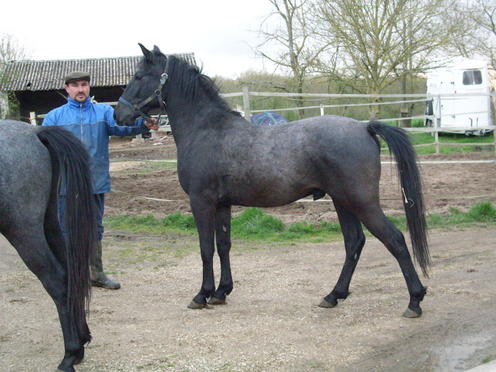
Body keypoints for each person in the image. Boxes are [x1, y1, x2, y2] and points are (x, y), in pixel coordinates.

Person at [43, 71, 158, 290]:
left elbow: (122, 127)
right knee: (66, 229)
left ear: (89, 87)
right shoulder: (54, 118)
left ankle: (96, 274)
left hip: (95, 183)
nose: (80, 89)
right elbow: (42, 146)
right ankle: (69, 276)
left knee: (95, 228)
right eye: (75, 85)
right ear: (67, 89)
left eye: (84, 84)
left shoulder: (103, 112)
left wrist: (144, 126)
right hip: (65, 185)